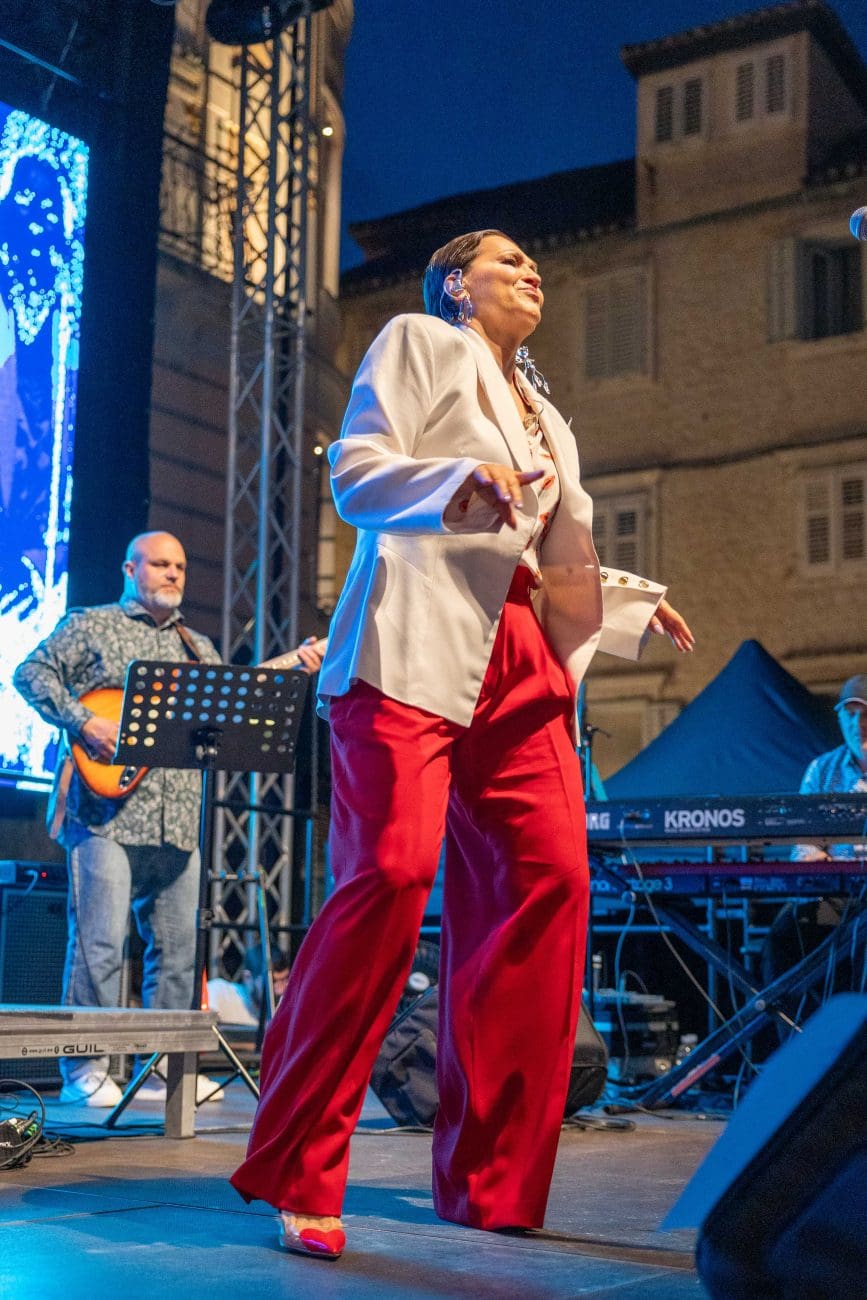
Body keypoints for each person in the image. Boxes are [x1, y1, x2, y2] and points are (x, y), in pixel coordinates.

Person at [230, 230, 694, 1259]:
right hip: (409, 641)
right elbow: (358, 474)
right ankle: (301, 1165)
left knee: (552, 883)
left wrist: (627, 601)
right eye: (507, 262)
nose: (531, 273)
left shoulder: (548, 415)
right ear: (455, 284)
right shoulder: (418, 341)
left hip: (522, 656)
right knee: (391, 875)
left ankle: (492, 1180)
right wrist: (453, 485)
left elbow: (541, 556)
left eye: (535, 267)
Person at [13, 530, 323, 1106]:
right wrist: (85, 721)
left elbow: (235, 702)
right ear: (130, 569)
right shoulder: (90, 625)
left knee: (179, 952)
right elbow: (30, 673)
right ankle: (86, 1068)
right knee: (100, 946)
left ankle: (160, 1070)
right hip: (104, 815)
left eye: (179, 565)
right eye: (159, 564)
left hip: (179, 820)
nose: (173, 573)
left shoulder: (197, 646)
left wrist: (294, 669)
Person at [792, 674, 867, 861]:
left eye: (866, 714)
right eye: (850, 715)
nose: (859, 724)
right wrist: (817, 862)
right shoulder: (822, 769)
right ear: (840, 719)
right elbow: (803, 844)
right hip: (840, 879)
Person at [207, 944, 291, 1029]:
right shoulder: (221, 992)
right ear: (247, 977)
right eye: (273, 982)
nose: (281, 990)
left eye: (285, 979)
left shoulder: (285, 1008)